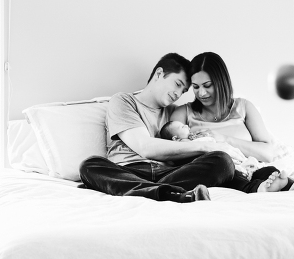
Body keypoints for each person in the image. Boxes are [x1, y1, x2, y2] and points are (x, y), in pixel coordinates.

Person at [79, 52, 237, 203]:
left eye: (183, 91)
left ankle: (153, 192)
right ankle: (170, 193)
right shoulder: (124, 101)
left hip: (169, 173)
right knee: (90, 165)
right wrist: (204, 146)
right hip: (128, 171)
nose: (178, 93)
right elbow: (144, 147)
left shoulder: (175, 112)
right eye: (177, 84)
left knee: (222, 162)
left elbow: (185, 150)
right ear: (159, 74)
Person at [170, 51, 294, 192]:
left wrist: (224, 139)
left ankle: (288, 185)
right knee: (225, 168)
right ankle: (258, 188)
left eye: (207, 85)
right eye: (196, 87)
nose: (202, 93)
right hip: (220, 171)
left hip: (249, 166)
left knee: (270, 171)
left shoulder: (244, 107)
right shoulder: (183, 113)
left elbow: (267, 153)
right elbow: (173, 153)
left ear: (221, 81)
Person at [159, 120, 265, 184]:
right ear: (176, 138)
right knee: (232, 167)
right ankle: (250, 174)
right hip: (219, 163)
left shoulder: (191, 138)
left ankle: (263, 174)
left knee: (265, 169)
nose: (187, 126)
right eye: (182, 126)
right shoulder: (182, 146)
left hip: (226, 155)